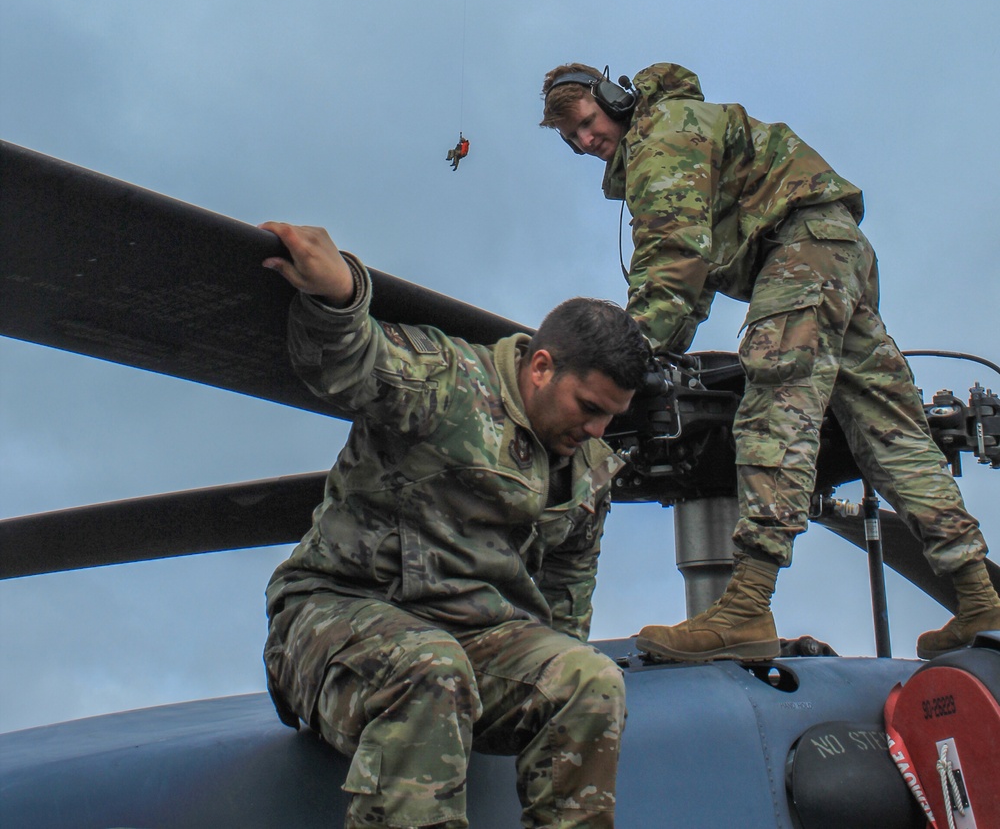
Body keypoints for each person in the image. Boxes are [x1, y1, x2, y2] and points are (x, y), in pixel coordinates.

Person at [540, 62, 1000, 664]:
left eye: (586, 122)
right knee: (891, 434)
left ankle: (748, 605)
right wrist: (665, 341)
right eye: (572, 139)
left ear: (611, 100)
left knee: (774, 408)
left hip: (800, 250)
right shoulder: (682, 130)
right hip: (836, 251)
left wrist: (626, 356)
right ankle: (977, 596)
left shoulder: (663, 134)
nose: (586, 141)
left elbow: (672, 258)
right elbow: (695, 274)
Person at [260, 219, 650, 829]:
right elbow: (351, 364)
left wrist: (549, 672)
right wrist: (339, 297)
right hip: (334, 615)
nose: (598, 430)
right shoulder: (450, 382)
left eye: (612, 417)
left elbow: (567, 590)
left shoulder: (588, 472)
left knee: (588, 680)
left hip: (473, 641)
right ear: (541, 367)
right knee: (430, 666)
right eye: (590, 409)